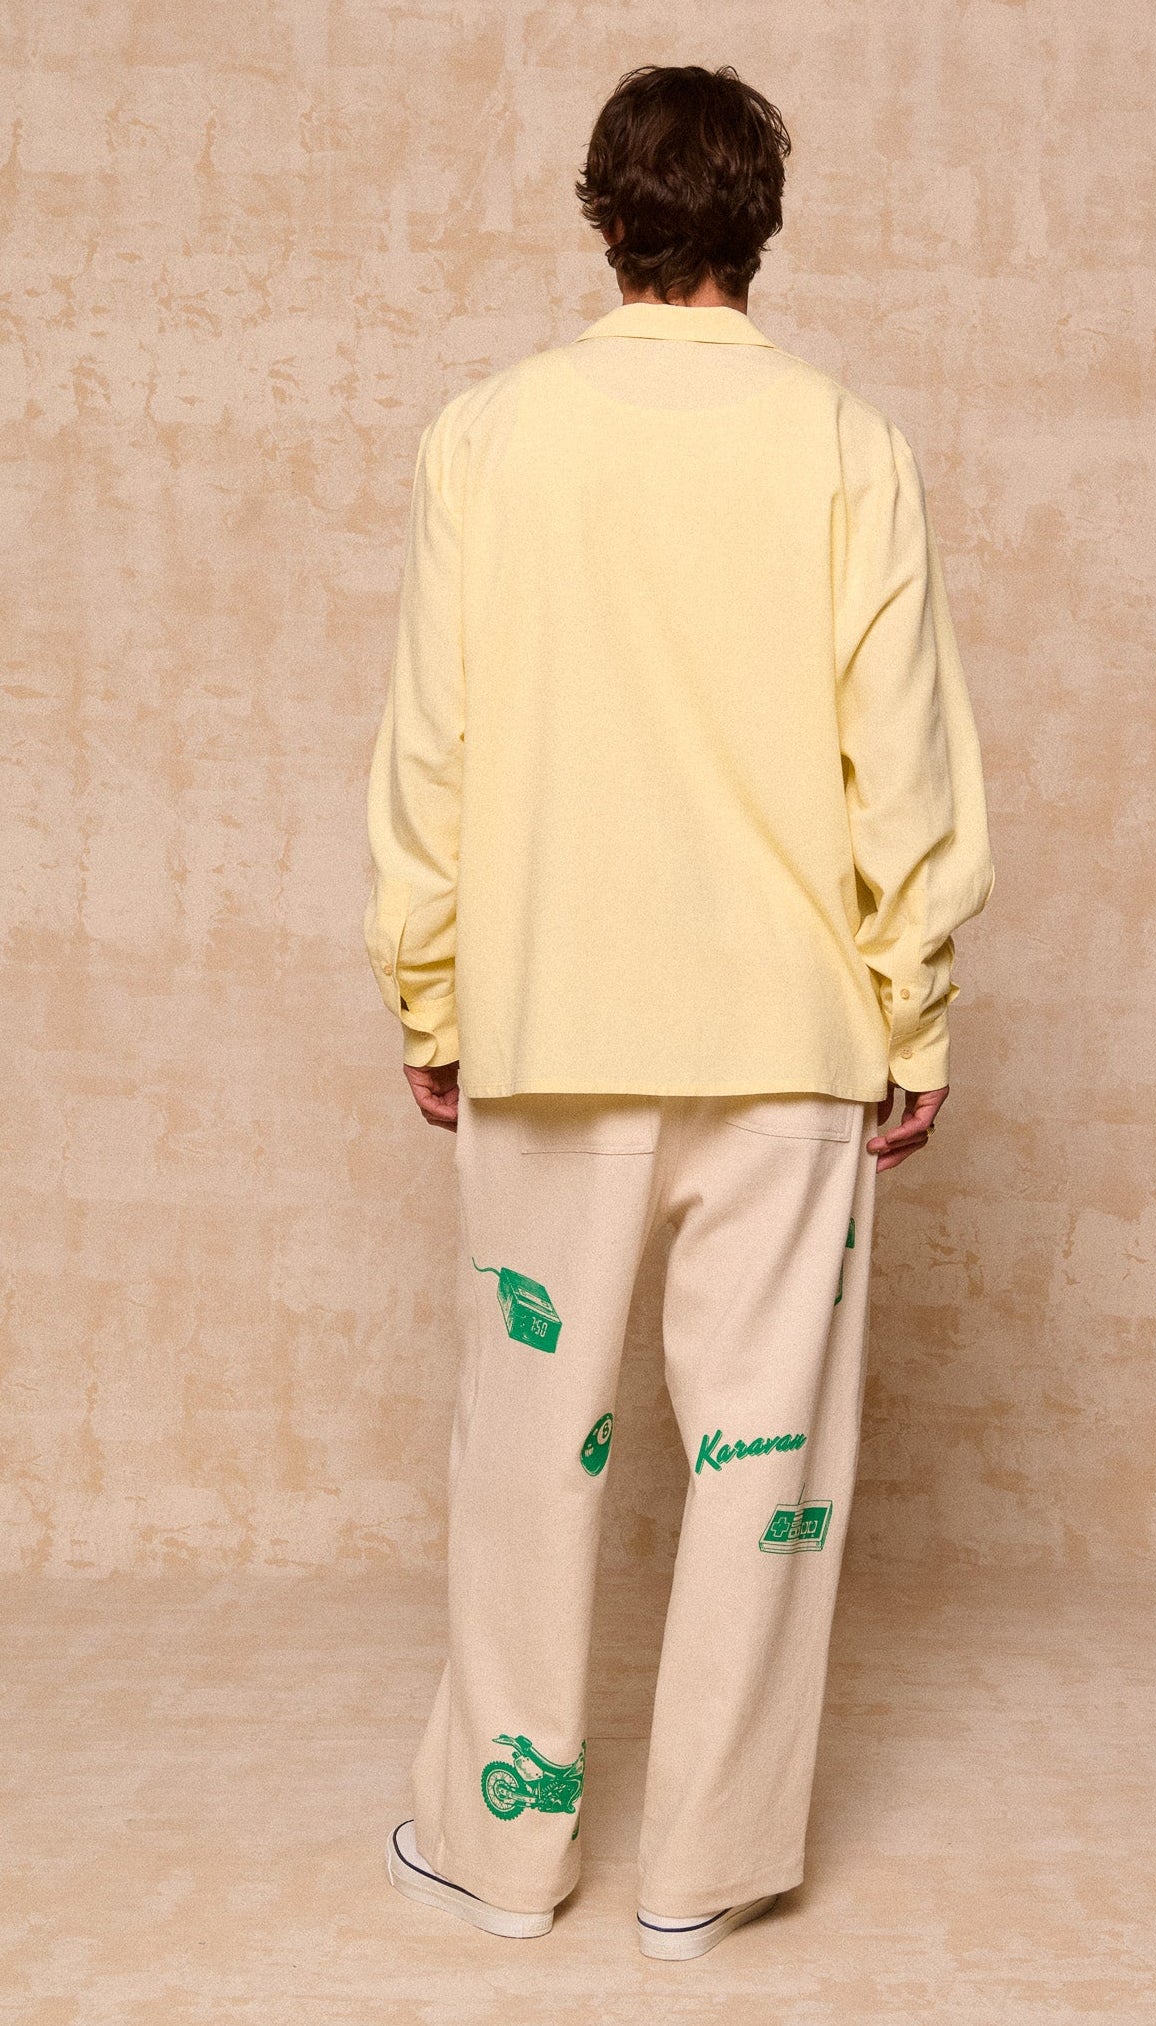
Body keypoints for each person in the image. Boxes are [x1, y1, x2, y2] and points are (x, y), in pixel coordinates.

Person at [363, 62, 994, 1960]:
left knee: (523, 1443)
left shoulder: (488, 437)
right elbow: (904, 767)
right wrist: (913, 1009)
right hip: (787, 1028)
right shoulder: (845, 444)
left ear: (605, 217)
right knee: (763, 1463)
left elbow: (433, 747)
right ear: (758, 226)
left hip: (549, 1015)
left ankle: (500, 1852)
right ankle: (705, 1867)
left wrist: (430, 986)